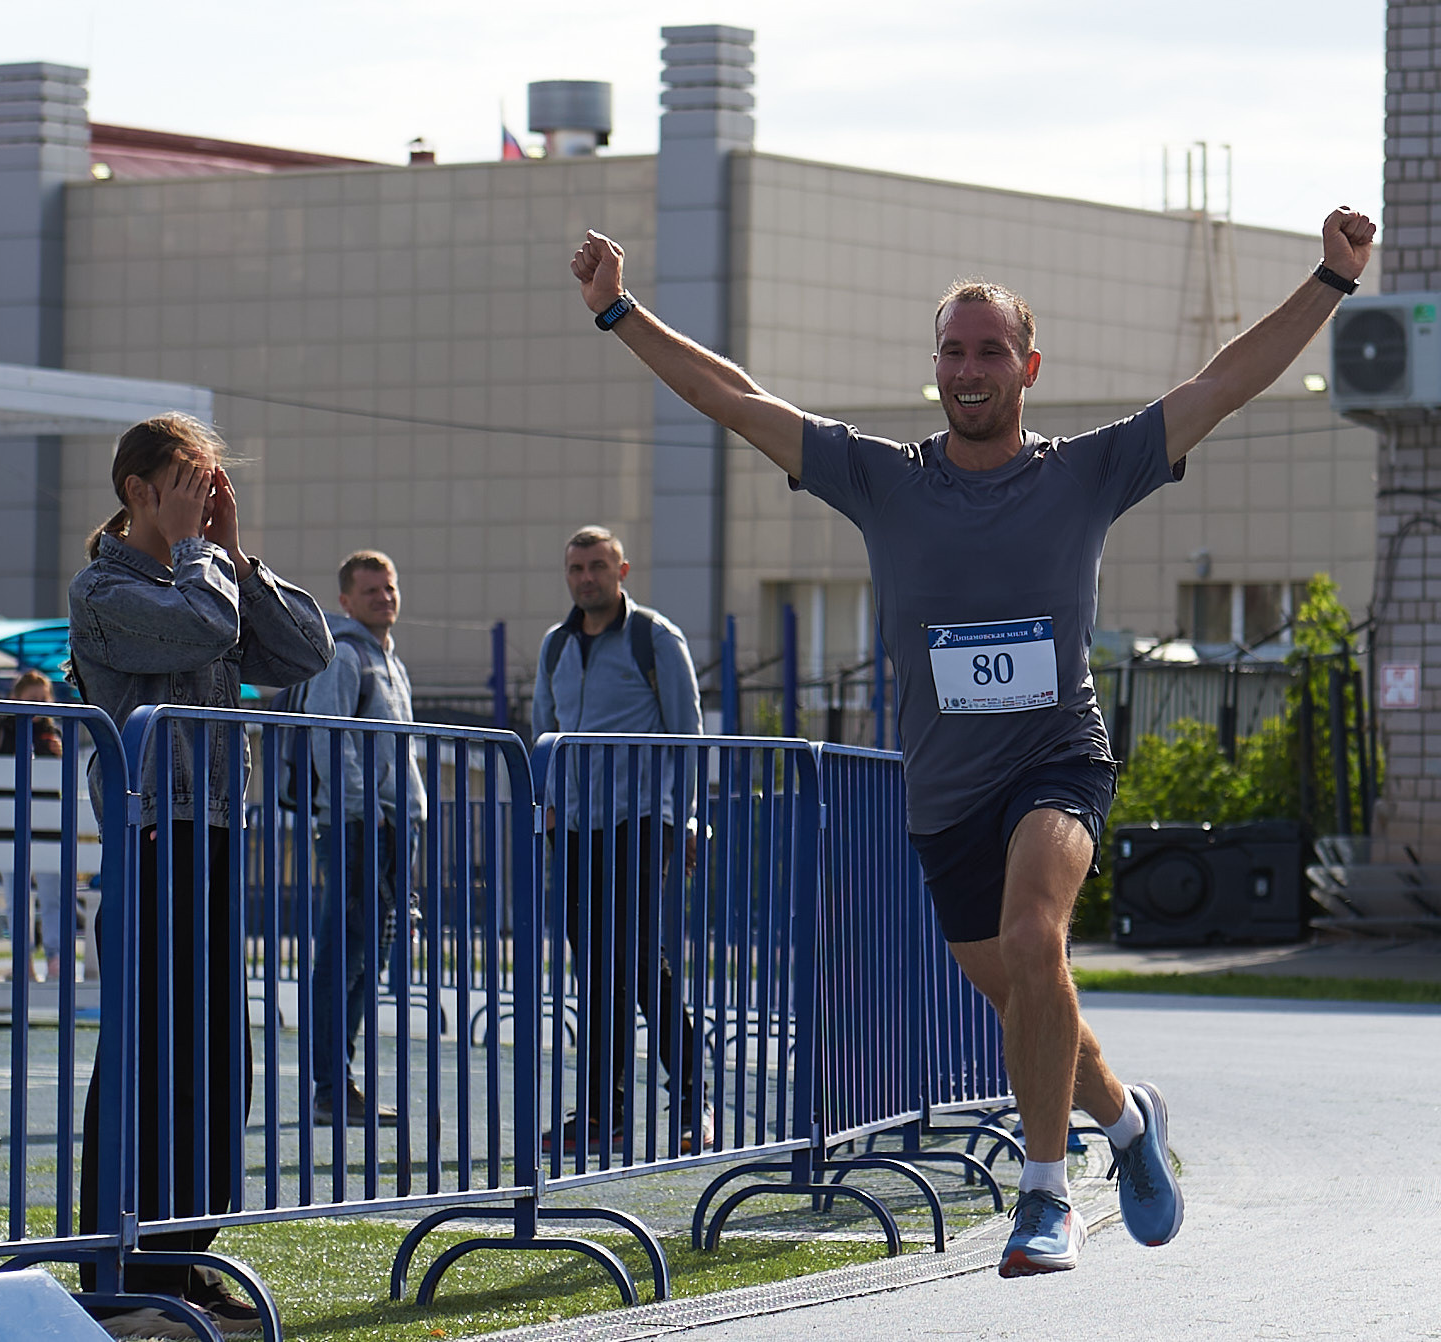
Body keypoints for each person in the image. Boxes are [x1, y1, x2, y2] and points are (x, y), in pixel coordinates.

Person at [567, 205, 1378, 1275]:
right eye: (952, 349)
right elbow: (736, 398)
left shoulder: (1085, 471)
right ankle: (1131, 1122)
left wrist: (1329, 279)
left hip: (1056, 760)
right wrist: (620, 311)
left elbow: (1222, 383)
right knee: (1034, 1001)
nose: (968, 366)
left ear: (1026, 366)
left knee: (1039, 941)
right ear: (934, 368)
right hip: (944, 794)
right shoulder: (883, 479)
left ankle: (1045, 1197)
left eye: (989, 349)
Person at [67, 412, 331, 1339]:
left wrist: (236, 552)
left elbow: (307, 650)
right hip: (149, 835)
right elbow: (203, 626)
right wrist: (198, 556)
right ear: (137, 490)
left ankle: (187, 1259)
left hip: (216, 834)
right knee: (148, 1051)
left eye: (210, 483)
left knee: (221, 1058)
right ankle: (114, 1263)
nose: (205, 499)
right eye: (189, 481)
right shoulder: (105, 588)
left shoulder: (205, 572)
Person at [531, 526, 709, 1158]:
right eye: (576, 567)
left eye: (598, 566)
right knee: (601, 967)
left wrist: (687, 820)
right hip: (577, 826)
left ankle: (679, 1098)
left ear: (622, 570)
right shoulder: (555, 646)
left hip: (642, 818)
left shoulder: (655, 638)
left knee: (630, 957)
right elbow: (543, 731)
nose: (586, 578)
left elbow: (689, 734)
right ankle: (610, 1112)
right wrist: (548, 811)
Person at [297, 550, 423, 1128]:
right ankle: (329, 1085)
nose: (384, 598)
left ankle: (338, 1082)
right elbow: (331, 739)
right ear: (345, 600)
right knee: (344, 955)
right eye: (371, 591)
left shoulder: (388, 660)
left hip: (391, 824)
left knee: (367, 956)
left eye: (390, 588)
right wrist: (362, 812)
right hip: (361, 825)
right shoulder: (344, 653)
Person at [0, 671, 73, 981]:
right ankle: (21, 960)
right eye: (31, 698)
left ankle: (55, 958)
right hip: (8, 824)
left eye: (42, 698)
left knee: (52, 896)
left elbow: (63, 778)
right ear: (16, 698)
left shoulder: (56, 733)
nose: (37, 705)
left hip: (48, 823)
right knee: (16, 896)